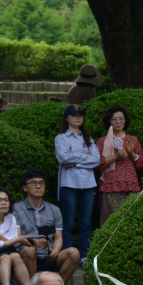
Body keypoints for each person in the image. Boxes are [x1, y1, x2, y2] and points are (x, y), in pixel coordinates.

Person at [14, 171, 79, 285]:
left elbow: (58, 237)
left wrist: (55, 251)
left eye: (41, 183)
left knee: (74, 253)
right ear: (25, 188)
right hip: (26, 257)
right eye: (33, 183)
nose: (38, 186)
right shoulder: (16, 209)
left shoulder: (54, 209)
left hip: (48, 255)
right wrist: (35, 243)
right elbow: (17, 237)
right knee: (30, 249)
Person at [54, 105, 99, 259]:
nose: (78, 117)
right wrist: (85, 156)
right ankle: (68, 255)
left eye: (80, 115)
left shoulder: (88, 138)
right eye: (74, 115)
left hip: (88, 186)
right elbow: (64, 158)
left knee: (86, 223)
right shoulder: (61, 138)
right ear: (67, 118)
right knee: (68, 222)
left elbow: (96, 160)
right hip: (69, 185)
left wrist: (76, 161)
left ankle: (85, 256)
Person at [95, 104, 143, 219]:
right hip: (111, 185)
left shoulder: (132, 139)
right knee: (113, 219)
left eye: (121, 118)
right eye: (114, 119)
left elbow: (141, 163)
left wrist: (132, 153)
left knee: (130, 219)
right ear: (109, 121)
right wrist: (116, 156)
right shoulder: (102, 141)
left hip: (131, 183)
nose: (118, 121)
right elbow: (97, 164)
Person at [0, 189, 32, 285]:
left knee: (15, 256)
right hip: (1, 254)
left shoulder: (11, 218)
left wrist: (1, 237)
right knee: (7, 257)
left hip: (7, 252)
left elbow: (14, 242)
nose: (4, 203)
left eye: (6, 200)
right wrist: (16, 239)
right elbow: (1, 243)